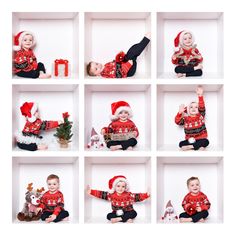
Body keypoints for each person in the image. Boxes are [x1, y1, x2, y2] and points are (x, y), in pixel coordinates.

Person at [175, 86, 209, 151]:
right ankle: (197, 146)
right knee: (181, 143)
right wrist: (179, 113)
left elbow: (202, 107)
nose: (193, 108)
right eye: (191, 107)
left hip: (200, 138)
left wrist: (200, 96)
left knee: (206, 141)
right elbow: (177, 122)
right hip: (190, 140)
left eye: (196, 107)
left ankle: (192, 147)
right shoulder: (186, 118)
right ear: (188, 110)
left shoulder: (200, 116)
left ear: (198, 109)